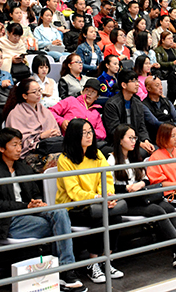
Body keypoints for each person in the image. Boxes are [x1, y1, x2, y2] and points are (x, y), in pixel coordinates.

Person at [0, 128, 87, 291]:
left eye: (20, 144)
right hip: (7, 221)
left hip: (30, 213)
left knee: (60, 212)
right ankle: (66, 271)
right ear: (1, 148)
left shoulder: (23, 168)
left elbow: (35, 193)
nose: (19, 149)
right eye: (14, 145)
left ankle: (64, 270)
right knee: (60, 225)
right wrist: (25, 206)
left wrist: (37, 202)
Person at [108, 125, 176, 267]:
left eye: (135, 138)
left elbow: (146, 179)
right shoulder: (111, 160)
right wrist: (127, 188)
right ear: (120, 140)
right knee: (157, 210)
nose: (134, 141)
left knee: (168, 208)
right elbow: (109, 185)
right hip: (125, 200)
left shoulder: (135, 157)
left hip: (141, 195)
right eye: (130, 138)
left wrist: (140, 184)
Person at [56, 119, 127, 284]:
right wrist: (97, 198)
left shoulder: (97, 154)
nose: (90, 136)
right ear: (74, 135)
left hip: (98, 203)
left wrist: (107, 195)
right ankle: (92, 263)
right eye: (85, 133)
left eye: (90, 132)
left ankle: (106, 260)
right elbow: (73, 191)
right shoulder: (64, 159)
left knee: (116, 217)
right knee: (101, 218)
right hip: (73, 208)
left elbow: (106, 179)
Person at [3, 78, 61, 159]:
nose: (39, 94)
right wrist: (40, 137)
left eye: (39, 90)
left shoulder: (45, 110)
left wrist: (54, 133)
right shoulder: (15, 114)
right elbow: (18, 141)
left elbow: (56, 130)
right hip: (29, 153)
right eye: (34, 92)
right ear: (25, 96)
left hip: (51, 147)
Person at [102, 69, 154, 157]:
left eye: (137, 81)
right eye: (133, 81)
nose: (137, 84)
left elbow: (141, 126)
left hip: (135, 140)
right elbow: (114, 130)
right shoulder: (112, 104)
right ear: (124, 85)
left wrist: (146, 140)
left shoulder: (137, 103)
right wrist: (137, 142)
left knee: (154, 150)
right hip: (118, 143)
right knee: (140, 153)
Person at [50, 79, 106, 149]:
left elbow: (102, 134)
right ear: (82, 91)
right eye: (87, 90)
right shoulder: (71, 101)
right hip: (68, 142)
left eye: (93, 92)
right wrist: (62, 121)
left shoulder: (96, 113)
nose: (89, 94)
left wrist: (87, 131)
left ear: (96, 97)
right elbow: (50, 112)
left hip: (88, 146)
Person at [142, 76, 176, 149]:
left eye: (161, 85)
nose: (161, 87)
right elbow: (155, 123)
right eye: (157, 85)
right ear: (148, 88)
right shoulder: (144, 105)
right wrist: (175, 126)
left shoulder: (166, 101)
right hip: (159, 134)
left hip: (173, 131)